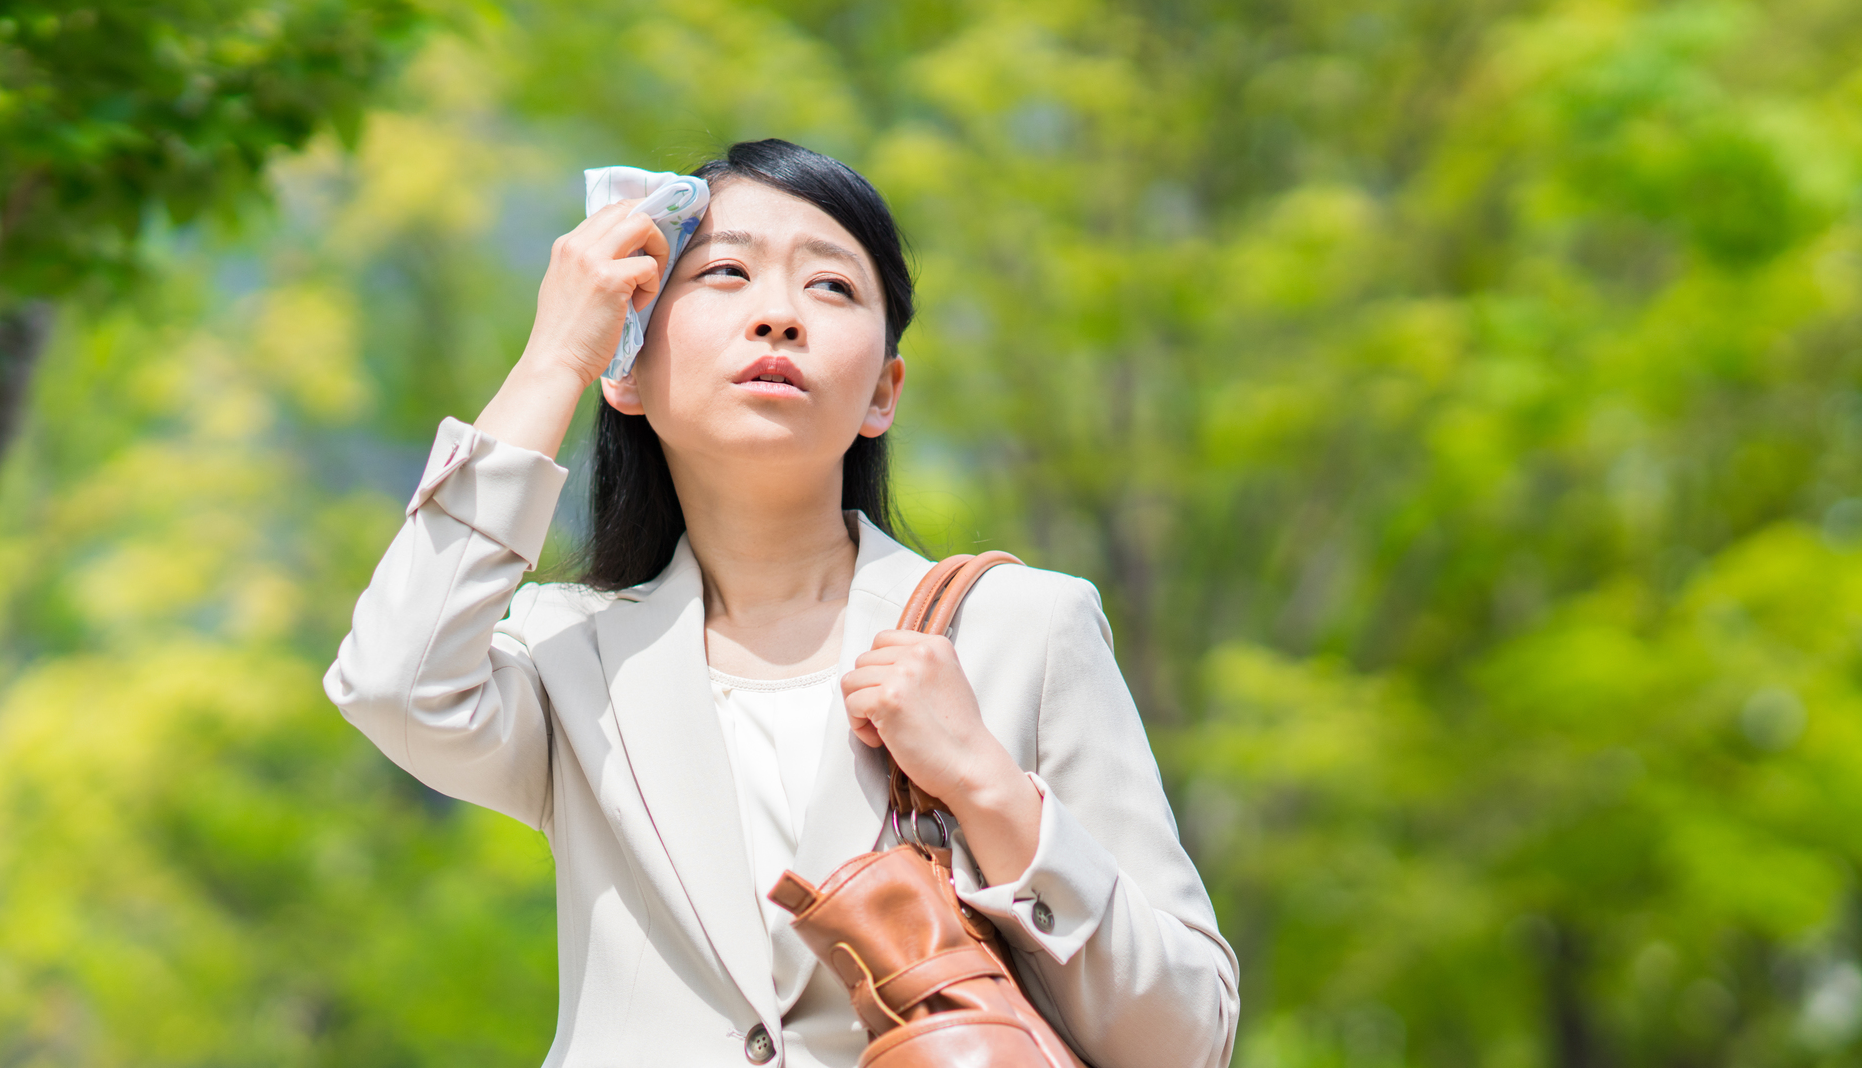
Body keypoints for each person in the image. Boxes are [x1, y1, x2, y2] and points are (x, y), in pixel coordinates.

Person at [325, 139, 1239, 1067]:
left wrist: (988, 788)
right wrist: (557, 352)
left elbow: (1186, 1039)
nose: (779, 317)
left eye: (832, 288)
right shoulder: (573, 652)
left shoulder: (1020, 629)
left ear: (883, 392)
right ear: (626, 369)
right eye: (725, 272)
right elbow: (394, 684)